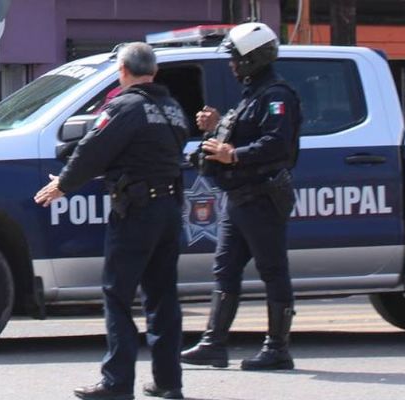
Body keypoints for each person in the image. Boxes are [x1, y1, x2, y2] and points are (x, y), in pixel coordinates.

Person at [34, 42, 190, 400]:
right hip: (169, 209)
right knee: (163, 296)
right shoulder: (172, 108)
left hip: (137, 211)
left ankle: (117, 382)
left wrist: (62, 185)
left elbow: (93, 149)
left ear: (122, 71)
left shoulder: (124, 106)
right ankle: (169, 382)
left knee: (118, 295)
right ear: (154, 72)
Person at [180, 22, 302, 371]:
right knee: (225, 267)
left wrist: (232, 155)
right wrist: (217, 126)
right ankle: (213, 344)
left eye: (236, 58)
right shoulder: (253, 94)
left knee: (272, 269)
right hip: (239, 197)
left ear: (253, 59)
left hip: (262, 196)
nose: (232, 64)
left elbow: (276, 143)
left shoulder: (276, 96)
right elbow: (244, 132)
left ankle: (277, 349)